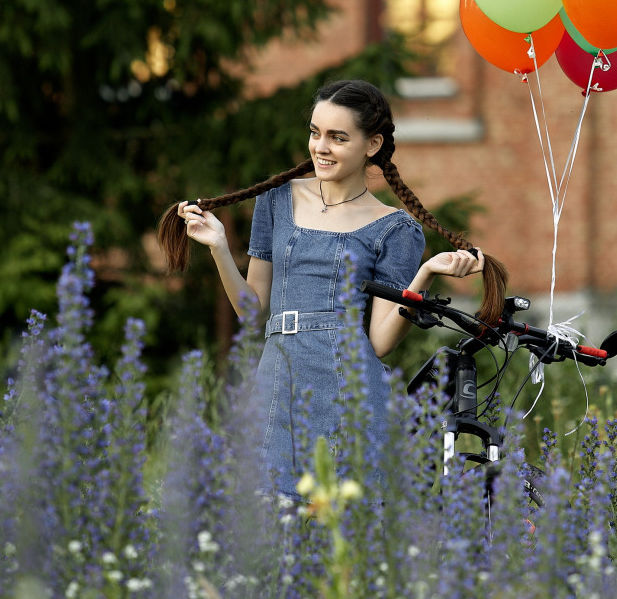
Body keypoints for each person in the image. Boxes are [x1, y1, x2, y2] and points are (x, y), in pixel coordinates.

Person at [158, 79, 508, 496]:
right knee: (268, 516)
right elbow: (253, 314)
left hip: (350, 388)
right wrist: (217, 247)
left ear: (372, 144)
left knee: (347, 528)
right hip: (277, 382)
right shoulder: (276, 201)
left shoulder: (395, 229)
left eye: (338, 137)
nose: (320, 147)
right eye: (315, 132)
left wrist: (426, 272)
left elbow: (378, 342)